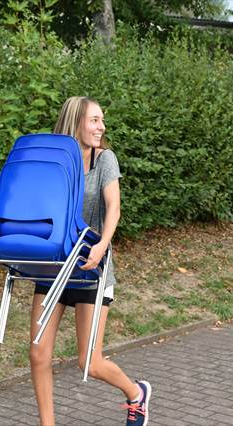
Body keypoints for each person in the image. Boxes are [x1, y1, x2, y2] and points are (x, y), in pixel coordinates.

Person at [29, 97, 151, 426]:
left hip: (91, 268)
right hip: (55, 268)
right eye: (94, 120)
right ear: (76, 122)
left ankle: (136, 393)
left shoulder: (105, 159)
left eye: (102, 120)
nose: (101, 127)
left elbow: (114, 207)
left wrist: (102, 246)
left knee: (89, 363)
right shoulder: (55, 162)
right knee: (38, 353)